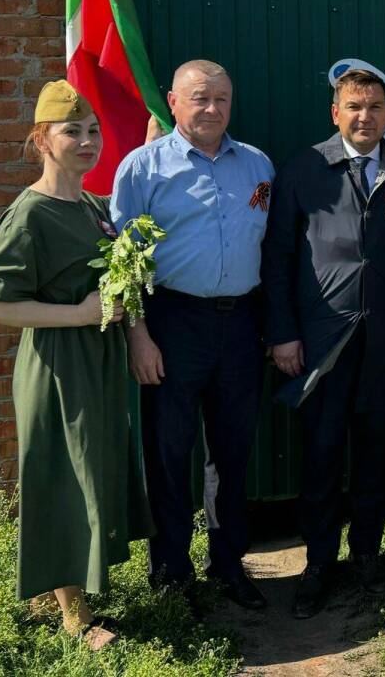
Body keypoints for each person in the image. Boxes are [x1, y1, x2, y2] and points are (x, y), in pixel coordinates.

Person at [0, 80, 153, 649]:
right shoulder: (31, 214)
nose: (86, 140)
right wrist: (77, 315)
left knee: (92, 472)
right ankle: (74, 618)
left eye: (92, 130)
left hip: (95, 362)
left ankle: (85, 591)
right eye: (71, 131)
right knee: (64, 476)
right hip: (56, 366)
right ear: (40, 140)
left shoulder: (95, 207)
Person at [261, 68, 385, 618]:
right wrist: (283, 333)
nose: (365, 117)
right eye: (354, 106)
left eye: (375, 107)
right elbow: (278, 258)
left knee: (376, 458)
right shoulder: (305, 169)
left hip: (383, 344)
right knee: (322, 457)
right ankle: (318, 566)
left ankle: (369, 562)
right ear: (336, 112)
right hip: (321, 343)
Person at [111, 60, 274, 611]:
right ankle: (172, 574)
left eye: (222, 99)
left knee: (231, 454)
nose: (212, 109)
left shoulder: (256, 165)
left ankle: (228, 566)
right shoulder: (142, 169)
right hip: (172, 324)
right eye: (200, 98)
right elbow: (123, 261)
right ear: (173, 103)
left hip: (241, 323)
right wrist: (138, 335)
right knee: (169, 450)